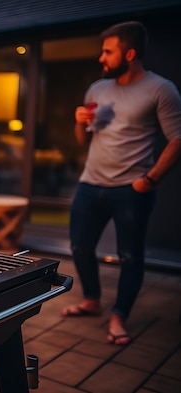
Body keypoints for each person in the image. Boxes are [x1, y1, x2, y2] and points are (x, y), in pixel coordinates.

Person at [61, 21, 181, 346]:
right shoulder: (98, 89)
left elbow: (177, 140)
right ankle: (92, 300)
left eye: (108, 51)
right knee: (80, 248)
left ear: (129, 53)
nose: (101, 58)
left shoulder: (161, 89)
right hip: (90, 184)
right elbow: (82, 140)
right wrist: (78, 123)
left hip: (132, 189)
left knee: (130, 255)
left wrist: (150, 179)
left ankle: (119, 316)